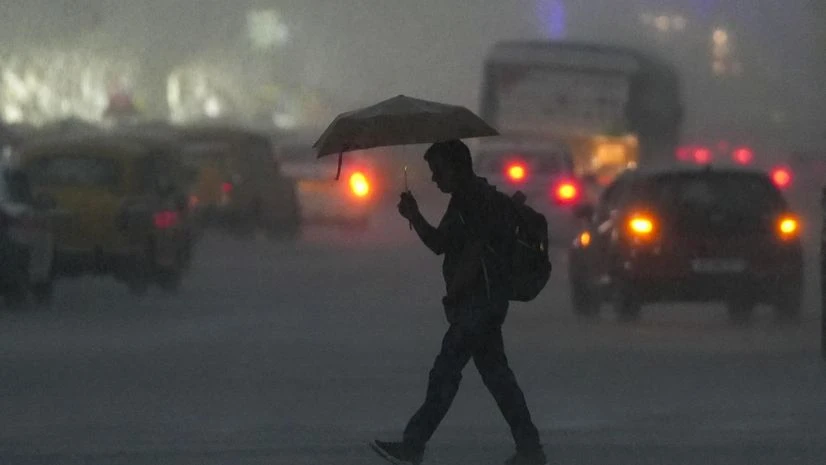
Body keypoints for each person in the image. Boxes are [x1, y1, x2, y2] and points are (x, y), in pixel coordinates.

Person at [371, 140, 547, 465]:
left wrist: (454, 294)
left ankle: (413, 445)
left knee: (446, 373)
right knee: (497, 377)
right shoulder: (477, 197)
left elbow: (457, 249)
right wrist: (415, 215)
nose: (435, 179)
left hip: (477, 305)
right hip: (488, 301)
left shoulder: (470, 201)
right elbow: (447, 244)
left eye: (438, 171)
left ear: (458, 167)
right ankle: (530, 448)